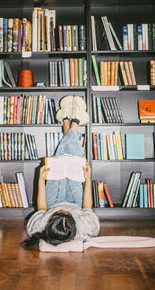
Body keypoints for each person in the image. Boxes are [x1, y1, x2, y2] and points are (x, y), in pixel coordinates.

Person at [22, 96, 100, 248]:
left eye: (60, 214)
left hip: (52, 202)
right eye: (67, 215)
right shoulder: (89, 228)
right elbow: (87, 207)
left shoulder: (37, 227)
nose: (64, 210)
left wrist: (41, 179)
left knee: (62, 158)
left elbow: (42, 208)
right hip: (77, 202)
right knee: (74, 158)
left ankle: (73, 122)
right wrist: (88, 178)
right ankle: (68, 122)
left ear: (49, 222)